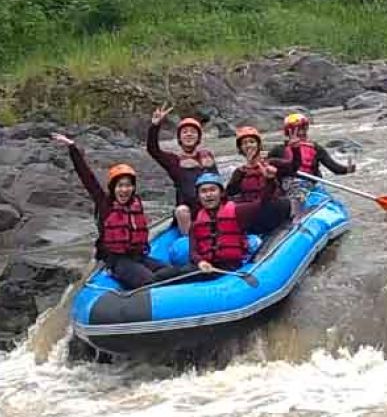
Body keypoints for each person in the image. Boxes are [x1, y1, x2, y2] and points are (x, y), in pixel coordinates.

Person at [52, 133, 186, 290]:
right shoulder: (105, 203)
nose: (125, 190)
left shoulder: (136, 203)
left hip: (139, 257)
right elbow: (87, 177)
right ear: (113, 188)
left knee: (172, 272)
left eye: (128, 185)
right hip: (117, 260)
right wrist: (72, 148)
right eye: (120, 186)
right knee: (150, 282)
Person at [190, 173, 292, 273]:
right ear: (198, 196)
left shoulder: (238, 212)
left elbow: (263, 203)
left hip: (232, 267)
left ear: (221, 193)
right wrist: (200, 262)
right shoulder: (196, 220)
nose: (208, 195)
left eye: (213, 190)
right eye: (203, 191)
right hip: (207, 268)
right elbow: (193, 251)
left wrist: (269, 180)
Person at [147, 105, 219, 235]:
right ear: (180, 138)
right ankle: (188, 239)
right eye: (185, 132)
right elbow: (153, 149)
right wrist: (155, 126)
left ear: (198, 137)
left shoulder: (207, 157)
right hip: (188, 212)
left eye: (193, 131)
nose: (189, 134)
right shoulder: (173, 161)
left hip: (211, 207)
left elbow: (218, 183)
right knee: (181, 211)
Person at [269, 113, 356, 212]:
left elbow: (335, 168)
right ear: (288, 132)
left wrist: (349, 169)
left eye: (304, 129)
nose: (302, 133)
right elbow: (268, 169)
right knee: (295, 193)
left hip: (311, 186)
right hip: (289, 187)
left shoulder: (315, 148)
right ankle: (294, 215)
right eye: (297, 130)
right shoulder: (278, 150)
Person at [226, 126, 295, 204]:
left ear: (258, 145)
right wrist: (247, 166)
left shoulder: (272, 163)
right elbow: (230, 193)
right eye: (244, 143)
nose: (248, 145)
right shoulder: (239, 172)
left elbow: (293, 168)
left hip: (274, 206)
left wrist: (295, 149)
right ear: (241, 148)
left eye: (252, 142)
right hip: (251, 209)